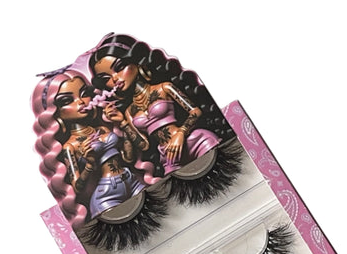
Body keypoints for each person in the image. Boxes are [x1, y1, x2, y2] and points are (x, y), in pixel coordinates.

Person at [88, 34, 222, 177]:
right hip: (168, 156)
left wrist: (181, 133)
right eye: (106, 78)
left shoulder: (164, 88)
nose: (115, 78)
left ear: (135, 61)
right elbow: (144, 145)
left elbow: (195, 111)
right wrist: (122, 122)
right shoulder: (129, 111)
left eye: (119, 67)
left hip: (195, 141)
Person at [32, 70, 148, 224]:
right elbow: (77, 187)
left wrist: (121, 123)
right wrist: (89, 164)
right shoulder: (70, 146)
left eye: (84, 94)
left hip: (130, 180)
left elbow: (128, 158)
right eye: (67, 100)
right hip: (106, 193)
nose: (81, 102)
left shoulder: (103, 128)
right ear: (56, 112)